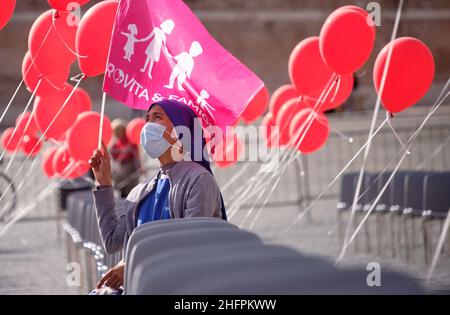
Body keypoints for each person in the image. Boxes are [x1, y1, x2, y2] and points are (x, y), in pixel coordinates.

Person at [88, 100, 226, 292]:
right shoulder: (141, 191)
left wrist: (133, 265)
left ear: (180, 130)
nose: (148, 125)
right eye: (147, 118)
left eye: (157, 117)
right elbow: (112, 241)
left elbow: (191, 246)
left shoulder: (198, 180)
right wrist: (103, 182)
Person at [109, 119, 140, 198]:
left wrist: (125, 154)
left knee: (126, 172)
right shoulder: (115, 144)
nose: (118, 133)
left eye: (119, 131)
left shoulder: (130, 141)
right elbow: (113, 155)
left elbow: (135, 154)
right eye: (116, 132)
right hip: (120, 167)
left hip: (130, 167)